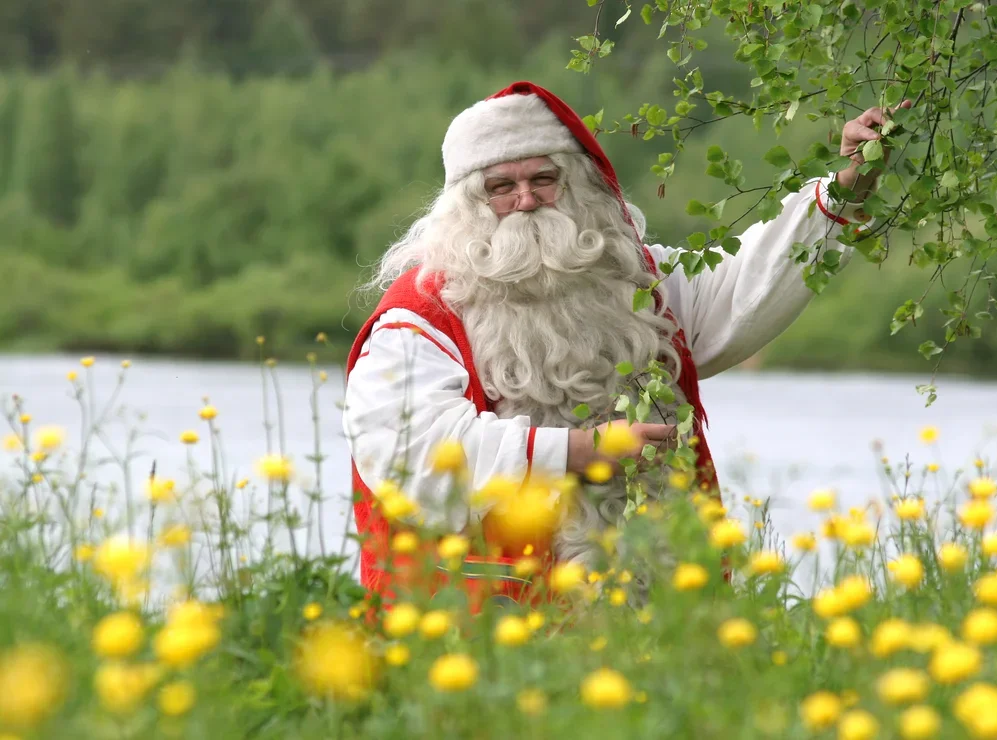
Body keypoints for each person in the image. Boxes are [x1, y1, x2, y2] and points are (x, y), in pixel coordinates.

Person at [343, 81, 907, 609]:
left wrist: (846, 186)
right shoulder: (417, 319)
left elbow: (744, 287)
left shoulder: (633, 281)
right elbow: (409, 451)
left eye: (544, 180)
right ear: (467, 205)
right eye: (501, 187)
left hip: (643, 614)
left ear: (576, 187)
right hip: (483, 639)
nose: (526, 200)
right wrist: (584, 452)